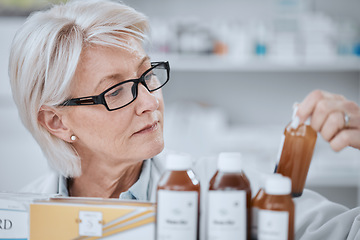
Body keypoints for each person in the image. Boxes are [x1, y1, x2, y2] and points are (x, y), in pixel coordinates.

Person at [7, 0, 360, 239]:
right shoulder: (21, 217)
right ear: (57, 122)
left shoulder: (224, 189)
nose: (150, 102)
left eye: (147, 75)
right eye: (115, 91)